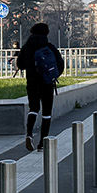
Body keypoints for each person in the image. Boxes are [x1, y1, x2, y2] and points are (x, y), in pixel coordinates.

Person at [15, 21, 64, 152]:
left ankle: (29, 134)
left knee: (34, 108)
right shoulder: (50, 47)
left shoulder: (26, 47)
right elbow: (60, 64)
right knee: (47, 112)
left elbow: (20, 64)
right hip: (47, 83)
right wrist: (53, 76)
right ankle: (42, 143)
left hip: (32, 82)